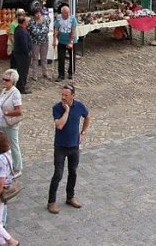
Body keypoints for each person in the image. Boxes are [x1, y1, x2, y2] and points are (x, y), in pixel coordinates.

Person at [47, 84, 90, 214]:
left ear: (73, 96)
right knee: (58, 174)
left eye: (66, 95)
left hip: (74, 146)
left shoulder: (79, 106)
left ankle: (70, 197)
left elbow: (87, 116)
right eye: (62, 95)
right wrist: (66, 111)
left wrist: (83, 133)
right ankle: (51, 201)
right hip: (60, 146)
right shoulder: (57, 108)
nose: (63, 97)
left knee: (73, 172)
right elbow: (59, 125)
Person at [0, 70, 24, 178]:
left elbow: (19, 111)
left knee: (14, 145)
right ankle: (8, 164)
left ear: (12, 81)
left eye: (6, 80)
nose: (4, 81)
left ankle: (18, 167)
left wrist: (6, 113)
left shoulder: (15, 93)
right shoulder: (4, 90)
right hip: (2, 122)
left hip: (10, 123)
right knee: (5, 145)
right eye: (3, 79)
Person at [54, 5, 77, 82]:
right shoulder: (59, 18)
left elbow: (73, 31)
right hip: (62, 40)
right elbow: (56, 29)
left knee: (72, 57)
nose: (67, 14)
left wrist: (71, 42)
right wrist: (54, 40)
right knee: (61, 57)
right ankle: (61, 74)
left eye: (68, 13)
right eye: (65, 13)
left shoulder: (72, 19)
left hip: (71, 39)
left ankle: (71, 72)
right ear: (62, 13)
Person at [28, 7, 51, 80]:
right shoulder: (31, 21)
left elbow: (48, 28)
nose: (38, 15)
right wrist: (43, 31)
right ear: (34, 15)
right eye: (36, 14)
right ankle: (34, 74)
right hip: (35, 42)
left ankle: (45, 72)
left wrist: (43, 31)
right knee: (35, 58)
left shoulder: (46, 19)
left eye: (39, 13)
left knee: (44, 58)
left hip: (44, 41)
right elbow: (34, 32)